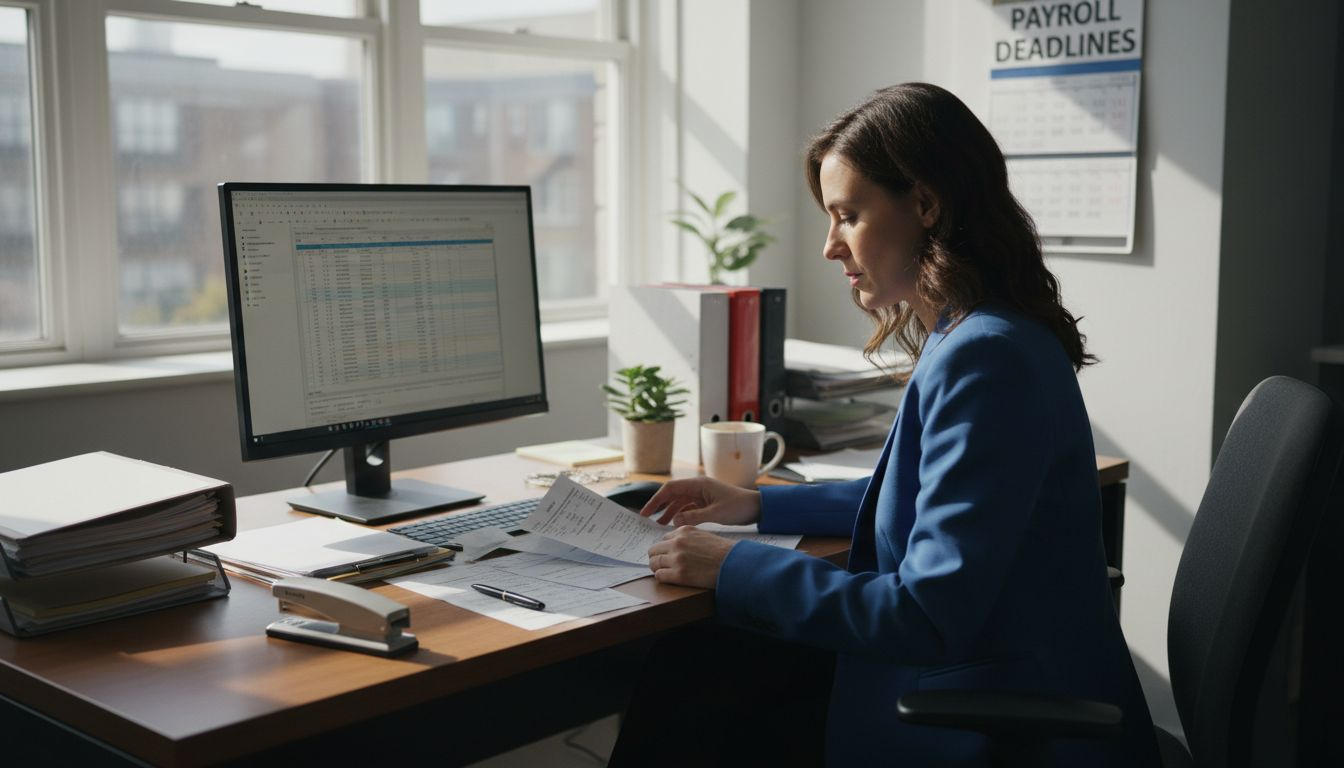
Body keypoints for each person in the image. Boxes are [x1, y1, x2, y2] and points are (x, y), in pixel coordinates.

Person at [608, 83, 1160, 767]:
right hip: (989, 669)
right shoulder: (979, 331)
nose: (830, 248)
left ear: (925, 204)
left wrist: (733, 565)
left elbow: (925, 614)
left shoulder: (985, 356)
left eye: (847, 215)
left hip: (981, 715)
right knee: (705, 671)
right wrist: (756, 505)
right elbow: (920, 497)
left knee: (694, 687)